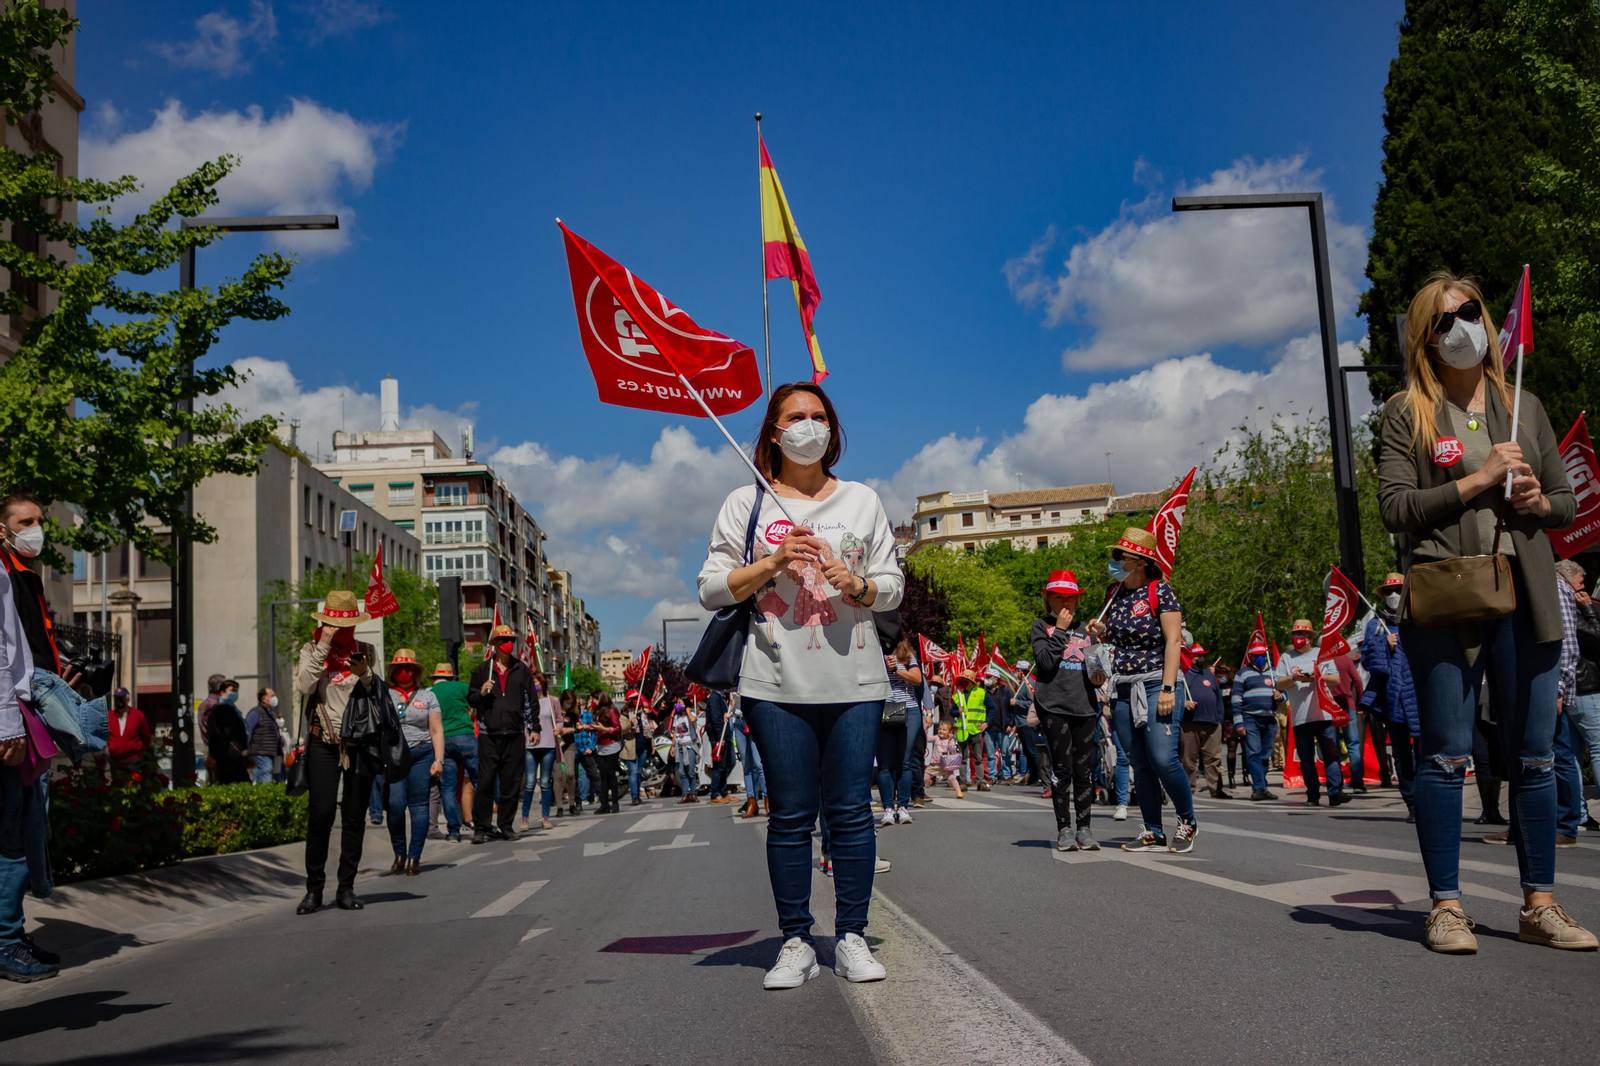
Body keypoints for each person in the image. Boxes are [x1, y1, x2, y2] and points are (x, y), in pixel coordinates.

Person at [1377, 270, 1596, 953]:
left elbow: (1567, 503)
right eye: (1444, 320)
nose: (1461, 327)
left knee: (1533, 758)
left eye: (1469, 311)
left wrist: (1534, 501)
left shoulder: (1523, 405)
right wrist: (1475, 480)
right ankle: (1445, 906)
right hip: (1447, 599)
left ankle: (1540, 905)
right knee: (1444, 757)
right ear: (1424, 336)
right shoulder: (1405, 411)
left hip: (1527, 596)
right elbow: (1396, 510)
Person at [696, 381, 903, 989]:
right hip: (774, 681)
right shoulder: (745, 503)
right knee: (789, 815)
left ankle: (851, 936)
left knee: (850, 813)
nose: (808, 426)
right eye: (795, 417)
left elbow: (892, 584)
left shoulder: (863, 499)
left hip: (856, 678)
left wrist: (857, 583)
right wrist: (770, 562)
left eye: (818, 416)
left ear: (833, 431)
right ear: (773, 431)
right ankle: (795, 940)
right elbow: (710, 588)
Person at [1086, 527, 1197, 853]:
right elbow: (1114, 642)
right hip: (1122, 686)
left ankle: (1187, 820)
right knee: (1140, 761)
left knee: (1163, 758)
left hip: (1155, 683)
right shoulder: (1113, 594)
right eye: (1114, 556)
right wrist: (1100, 632)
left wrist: (1167, 688)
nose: (1114, 562)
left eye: (1121, 557)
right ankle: (1152, 829)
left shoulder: (1160, 591)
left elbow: (1174, 641)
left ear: (1141, 562)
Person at [294, 590, 385, 914]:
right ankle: (313, 890)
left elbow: (378, 696)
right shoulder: (310, 650)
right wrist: (323, 647)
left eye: (347, 627)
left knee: (354, 816)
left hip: (359, 744)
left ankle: (346, 888)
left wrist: (365, 674)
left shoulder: (367, 652)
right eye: (335, 626)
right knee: (320, 814)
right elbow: (304, 686)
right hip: (323, 742)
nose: (342, 633)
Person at [0, 525, 56, 982]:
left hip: (18, 713)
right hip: (8, 724)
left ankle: (10, 935)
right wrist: (9, 725)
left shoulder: (17, 574)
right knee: (12, 836)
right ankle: (6, 940)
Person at [1031, 569, 1106, 851]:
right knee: (1062, 768)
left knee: (1084, 771)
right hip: (1054, 705)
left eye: (1071, 598)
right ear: (1048, 599)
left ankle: (1085, 829)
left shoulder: (1087, 629)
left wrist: (1098, 643)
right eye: (1059, 597)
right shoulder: (1042, 626)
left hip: (1084, 705)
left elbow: (1099, 674)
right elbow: (1045, 663)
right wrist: (1060, 630)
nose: (1065, 603)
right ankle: (1064, 829)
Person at [467, 624, 538, 844]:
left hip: (515, 734)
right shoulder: (481, 670)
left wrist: (534, 727)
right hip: (489, 735)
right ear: (495, 645)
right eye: (504, 641)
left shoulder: (521, 669)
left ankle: (506, 825)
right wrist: (481, 692)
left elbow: (530, 701)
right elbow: (471, 700)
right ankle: (481, 827)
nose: (509, 644)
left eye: (511, 641)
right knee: (486, 782)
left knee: (511, 783)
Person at [1360, 574, 1420, 820]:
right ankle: (1413, 804)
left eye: (1398, 589)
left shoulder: (1419, 617)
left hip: (1419, 697)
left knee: (1425, 752)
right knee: (1401, 753)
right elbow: (1366, 658)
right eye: (1389, 591)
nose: (1394, 594)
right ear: (1383, 595)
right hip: (1391, 699)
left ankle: (1429, 799)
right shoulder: (1375, 624)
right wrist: (1386, 645)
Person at [1274, 620, 1348, 808]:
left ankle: (1335, 792)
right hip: (1301, 716)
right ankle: (1312, 795)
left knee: (1331, 755)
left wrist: (1317, 676)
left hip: (1324, 715)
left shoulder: (1322, 655)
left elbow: (1336, 679)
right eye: (1294, 634)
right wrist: (1294, 678)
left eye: (1301, 634)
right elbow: (1279, 683)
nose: (1297, 637)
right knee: (1306, 759)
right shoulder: (1286, 657)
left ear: (1309, 637)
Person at [383, 650, 444, 874]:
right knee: (396, 805)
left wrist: (439, 759)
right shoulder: (385, 695)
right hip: (395, 756)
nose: (403, 673)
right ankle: (399, 852)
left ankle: (413, 857)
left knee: (419, 807)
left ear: (415, 672)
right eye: (399, 669)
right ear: (393, 672)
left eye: (408, 668)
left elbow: (436, 729)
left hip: (422, 754)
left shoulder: (428, 697)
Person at [1556, 560, 1600, 831]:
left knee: (1570, 755)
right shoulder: (1572, 609)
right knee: (1597, 748)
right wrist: (1587, 609)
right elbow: (1597, 637)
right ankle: (1577, 813)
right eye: (1580, 583)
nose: (1584, 589)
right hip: (1586, 687)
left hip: (1571, 688)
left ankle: (1577, 814)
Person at [876, 633, 922, 826]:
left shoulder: (908, 656)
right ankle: (888, 808)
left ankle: (903, 807)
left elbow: (917, 679)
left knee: (904, 760)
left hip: (908, 708)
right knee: (885, 762)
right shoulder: (873, 654)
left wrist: (896, 670)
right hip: (884, 708)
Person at [430, 661, 476, 842]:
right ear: (451, 676)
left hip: (443, 742)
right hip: (465, 737)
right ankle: (482, 825)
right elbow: (476, 697)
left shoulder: (430, 693)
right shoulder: (461, 687)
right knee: (479, 779)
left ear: (436, 677)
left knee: (447, 788)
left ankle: (453, 831)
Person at [1233, 640, 1279, 801]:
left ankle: (1263, 786)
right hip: (1250, 718)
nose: (1259, 658)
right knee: (1254, 753)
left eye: (1261, 655)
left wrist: (1281, 696)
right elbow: (1236, 698)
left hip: (1270, 719)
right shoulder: (1242, 674)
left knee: (1266, 754)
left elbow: (1284, 692)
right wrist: (1239, 723)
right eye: (1255, 656)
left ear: (1266, 655)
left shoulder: (1274, 672)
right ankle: (1258, 787)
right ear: (1251, 657)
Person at [1181, 646, 1229, 799]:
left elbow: (1219, 700)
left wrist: (1219, 720)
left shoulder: (1209, 676)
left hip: (1212, 724)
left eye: (1202, 655)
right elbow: (1175, 696)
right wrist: (1184, 703)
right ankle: (1188, 790)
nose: (1199, 658)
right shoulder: (1183, 676)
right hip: (1190, 724)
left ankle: (1216, 790)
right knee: (1189, 760)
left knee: (1213, 760)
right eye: (1196, 656)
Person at [524, 672, 559, 830]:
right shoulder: (525, 702)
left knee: (545, 783)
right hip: (530, 746)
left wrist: (558, 729)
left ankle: (546, 817)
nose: (535, 684)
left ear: (543, 683)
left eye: (537, 681)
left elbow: (558, 719)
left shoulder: (552, 701)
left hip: (548, 745)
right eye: (532, 681)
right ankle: (525, 818)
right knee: (530, 783)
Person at [206, 679, 252, 785]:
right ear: (222, 692)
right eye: (232, 690)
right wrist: (214, 755)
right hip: (229, 753)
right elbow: (223, 733)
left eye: (236, 690)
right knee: (237, 782)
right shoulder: (223, 708)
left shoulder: (231, 707)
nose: (235, 693)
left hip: (232, 752)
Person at [952, 671, 989, 790]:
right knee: (963, 758)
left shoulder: (981, 693)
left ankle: (980, 782)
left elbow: (993, 708)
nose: (964, 682)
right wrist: (957, 711)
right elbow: (951, 712)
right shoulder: (959, 695)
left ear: (971, 682)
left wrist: (986, 723)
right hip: (962, 731)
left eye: (966, 680)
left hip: (975, 730)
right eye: (963, 680)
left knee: (978, 757)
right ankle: (963, 782)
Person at [733, 695, 767, 817]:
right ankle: (751, 801)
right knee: (746, 765)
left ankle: (767, 801)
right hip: (738, 721)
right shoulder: (733, 678)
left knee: (758, 764)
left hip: (752, 719)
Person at [704, 690, 739, 804]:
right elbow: (716, 719)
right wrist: (720, 737)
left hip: (726, 736)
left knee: (729, 763)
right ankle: (715, 793)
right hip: (720, 737)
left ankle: (723, 791)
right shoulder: (714, 698)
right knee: (719, 766)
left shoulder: (722, 698)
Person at [244, 687, 283, 785]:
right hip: (260, 753)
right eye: (272, 696)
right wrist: (248, 751)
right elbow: (247, 732)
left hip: (270, 753)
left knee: (268, 778)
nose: (275, 698)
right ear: (264, 699)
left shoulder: (269, 713)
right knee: (265, 779)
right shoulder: (256, 713)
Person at [106, 688, 151, 772]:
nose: (119, 701)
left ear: (127, 699)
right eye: (117, 698)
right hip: (114, 761)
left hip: (133, 761)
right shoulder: (109, 716)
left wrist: (139, 752)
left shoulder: (138, 715)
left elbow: (146, 737)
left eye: (121, 698)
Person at [591, 693, 623, 814]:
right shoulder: (597, 712)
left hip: (612, 745)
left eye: (594, 699)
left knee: (610, 774)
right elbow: (596, 727)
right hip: (600, 746)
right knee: (603, 775)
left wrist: (604, 729)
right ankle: (604, 803)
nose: (592, 701)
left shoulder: (611, 711)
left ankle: (615, 802)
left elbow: (617, 728)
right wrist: (587, 727)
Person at [554, 690, 581, 815]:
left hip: (569, 744)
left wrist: (572, 729)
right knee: (558, 775)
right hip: (556, 745)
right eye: (567, 702)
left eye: (571, 703)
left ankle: (572, 803)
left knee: (570, 774)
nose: (568, 704)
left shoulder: (574, 713)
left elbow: (578, 728)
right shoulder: (554, 710)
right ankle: (559, 806)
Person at [670, 700, 698, 804]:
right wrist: (673, 746)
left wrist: (688, 710)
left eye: (681, 702)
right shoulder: (677, 717)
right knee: (681, 771)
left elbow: (693, 719)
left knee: (690, 771)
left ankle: (693, 793)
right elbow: (675, 732)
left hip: (690, 745)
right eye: (677, 703)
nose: (678, 704)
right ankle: (685, 793)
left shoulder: (691, 714)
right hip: (680, 746)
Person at [927, 719, 965, 798]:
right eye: (940, 729)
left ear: (949, 732)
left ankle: (959, 792)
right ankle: (920, 792)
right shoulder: (936, 738)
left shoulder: (950, 740)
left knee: (952, 778)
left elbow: (952, 749)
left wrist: (951, 740)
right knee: (925, 777)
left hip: (946, 764)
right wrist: (925, 732)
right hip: (935, 764)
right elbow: (928, 739)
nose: (941, 731)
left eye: (944, 730)